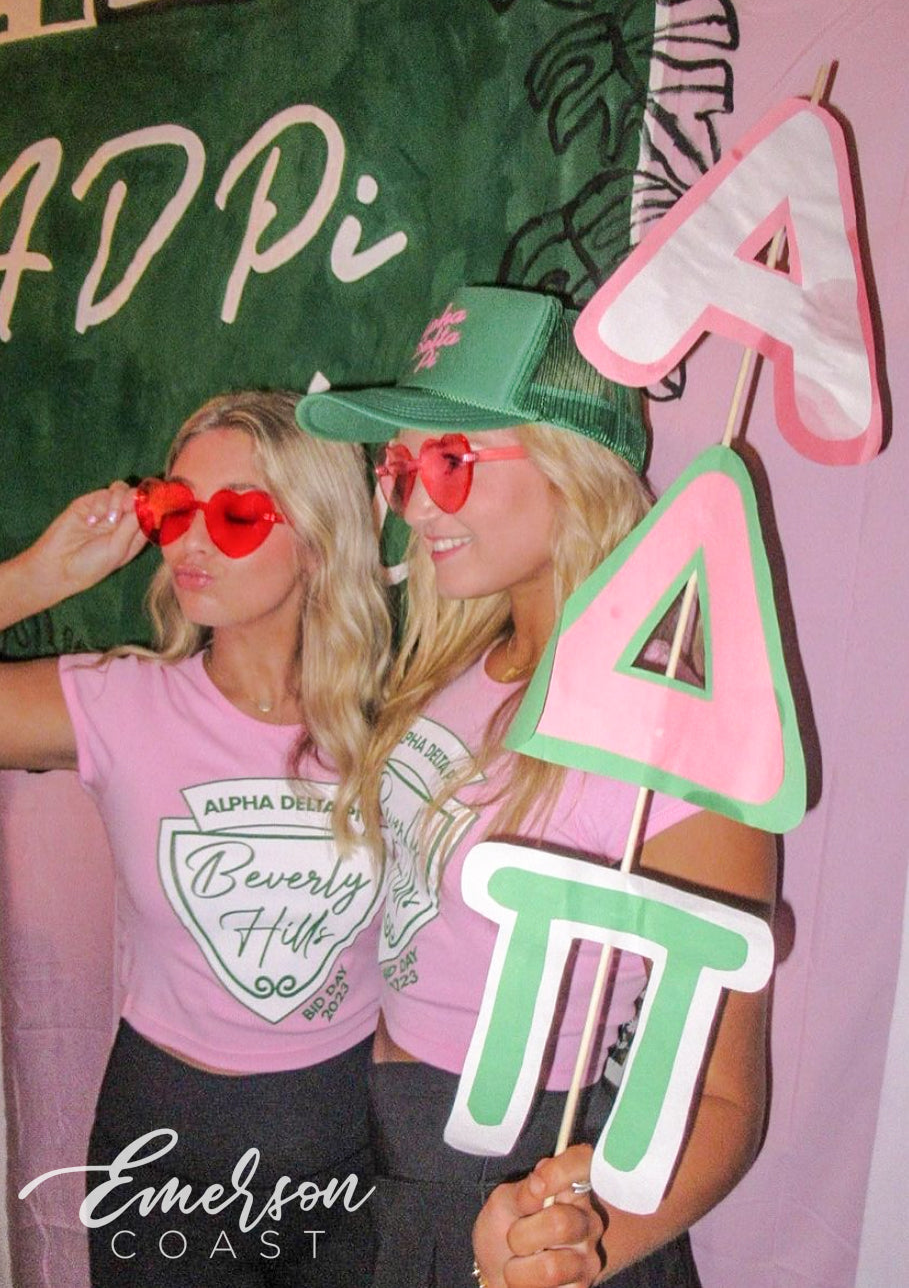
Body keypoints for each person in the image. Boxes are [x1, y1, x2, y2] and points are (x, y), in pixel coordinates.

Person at [297, 286, 777, 1287]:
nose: (412, 504)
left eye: (450, 461)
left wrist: (583, 1244)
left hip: (533, 1189)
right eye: (401, 468)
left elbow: (725, 1096)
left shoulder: (669, 726)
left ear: (572, 466)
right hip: (401, 1158)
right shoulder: (465, 666)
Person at [0, 390, 391, 1287]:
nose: (191, 543)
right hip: (167, 1140)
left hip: (352, 1138)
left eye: (237, 515)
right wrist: (38, 576)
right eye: (174, 510)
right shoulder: (119, 702)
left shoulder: (401, 725)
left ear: (318, 536)